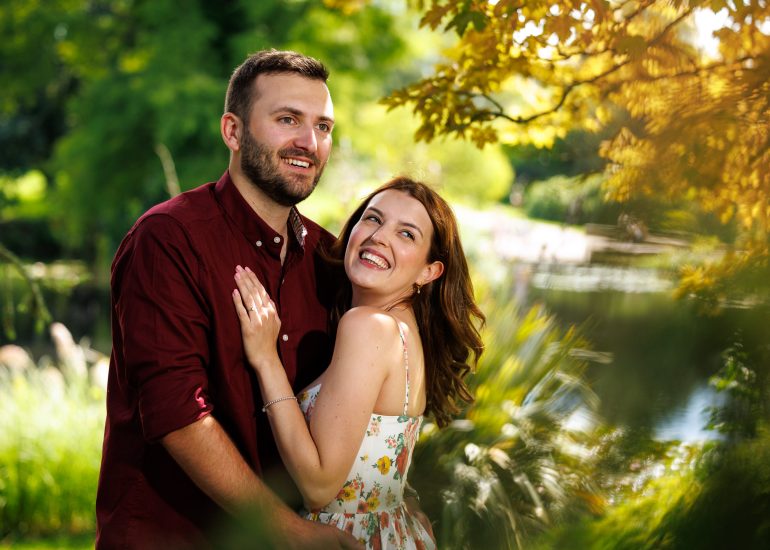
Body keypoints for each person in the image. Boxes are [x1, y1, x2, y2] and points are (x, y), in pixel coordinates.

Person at [96, 49, 361, 549]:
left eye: (323, 127)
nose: (309, 142)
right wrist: (291, 533)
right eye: (288, 120)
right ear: (233, 132)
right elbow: (177, 416)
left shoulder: (329, 259)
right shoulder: (168, 238)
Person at [232, 176, 485, 549]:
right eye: (373, 219)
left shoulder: (368, 327)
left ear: (429, 272)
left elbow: (318, 487)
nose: (380, 236)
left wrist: (266, 359)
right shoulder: (404, 331)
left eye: (407, 234)